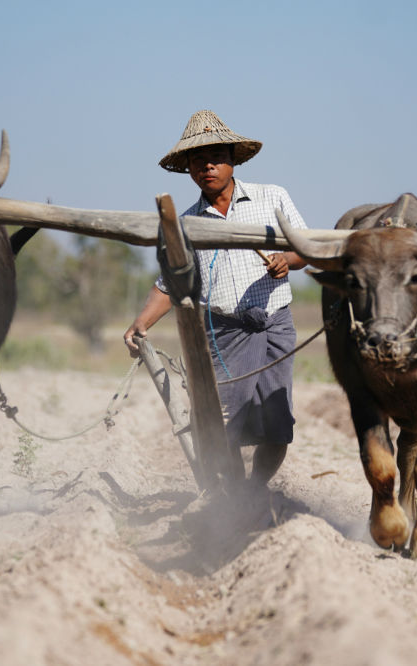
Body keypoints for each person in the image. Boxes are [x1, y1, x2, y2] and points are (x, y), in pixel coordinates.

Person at [123, 110, 308, 486]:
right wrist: (140, 323)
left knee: (277, 426)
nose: (208, 166)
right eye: (198, 159)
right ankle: (234, 495)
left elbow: (306, 247)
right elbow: (169, 284)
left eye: (217, 157)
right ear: (189, 169)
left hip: (274, 325)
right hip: (224, 333)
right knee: (224, 424)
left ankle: (255, 490)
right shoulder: (185, 224)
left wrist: (286, 260)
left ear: (232, 159)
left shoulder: (272, 197)